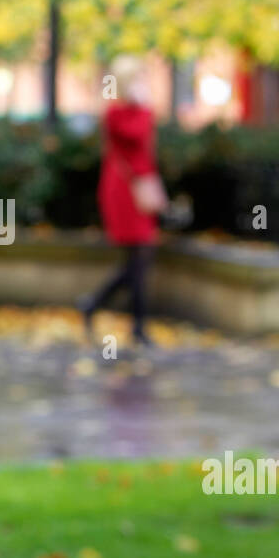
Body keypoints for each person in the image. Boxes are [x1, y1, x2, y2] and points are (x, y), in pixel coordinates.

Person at [79, 64, 161, 346]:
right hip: (124, 190)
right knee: (138, 256)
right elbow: (135, 134)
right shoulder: (116, 113)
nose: (142, 82)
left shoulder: (140, 111)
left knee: (139, 258)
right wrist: (145, 106)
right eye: (138, 77)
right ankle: (137, 326)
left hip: (139, 188)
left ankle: (96, 304)